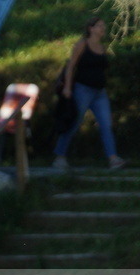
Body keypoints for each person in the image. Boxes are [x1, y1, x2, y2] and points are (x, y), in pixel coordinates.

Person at [53, 17, 126, 170]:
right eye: (99, 26)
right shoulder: (82, 45)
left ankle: (113, 158)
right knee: (74, 121)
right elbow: (71, 66)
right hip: (83, 89)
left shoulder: (102, 48)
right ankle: (60, 156)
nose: (102, 28)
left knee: (106, 124)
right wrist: (67, 87)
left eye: (103, 26)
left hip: (100, 92)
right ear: (90, 28)